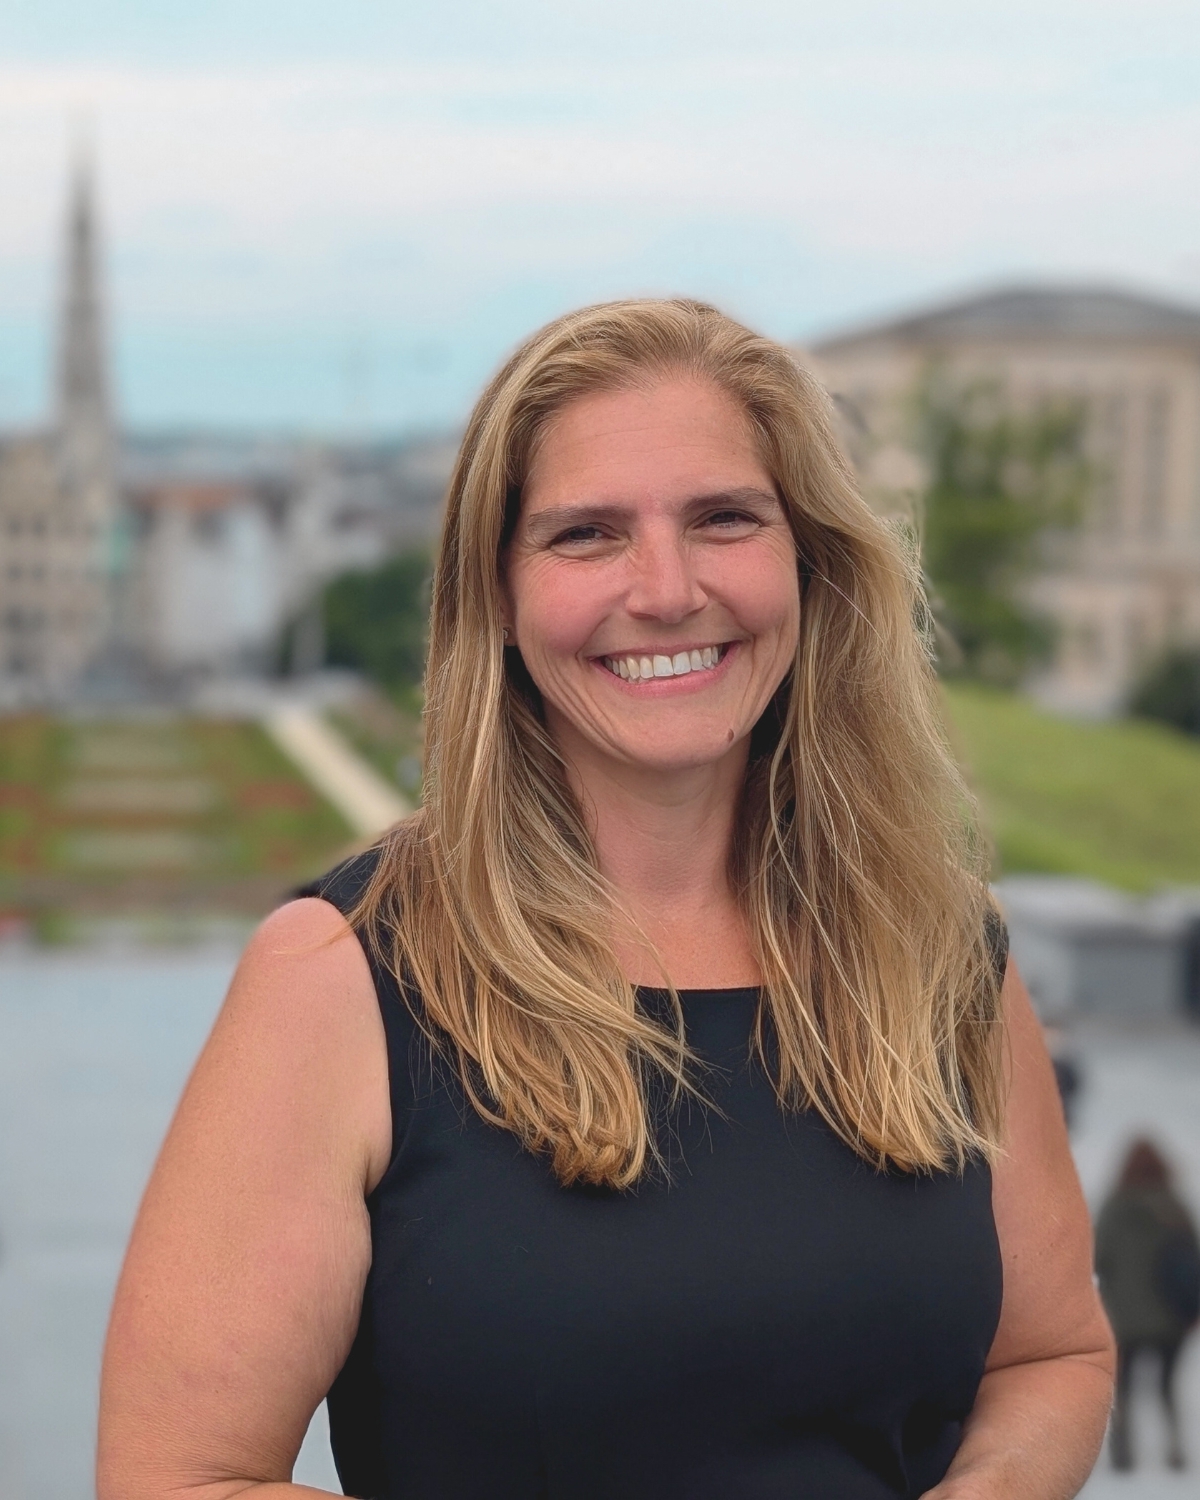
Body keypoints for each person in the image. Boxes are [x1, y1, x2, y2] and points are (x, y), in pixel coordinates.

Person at [98, 299, 1114, 1499]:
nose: (668, 587)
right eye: (587, 535)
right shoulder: (343, 979)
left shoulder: (940, 950)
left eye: (724, 518)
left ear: (809, 557)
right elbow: (179, 1477)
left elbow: (1054, 1355)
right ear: (501, 600)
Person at [1096, 1137, 1200, 1471]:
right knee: (1166, 1386)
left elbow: (1099, 1258)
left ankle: (1123, 1450)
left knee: (1124, 1386)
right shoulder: (1174, 1205)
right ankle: (1174, 1447)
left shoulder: (1115, 1206)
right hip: (1171, 1319)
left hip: (1124, 1319)